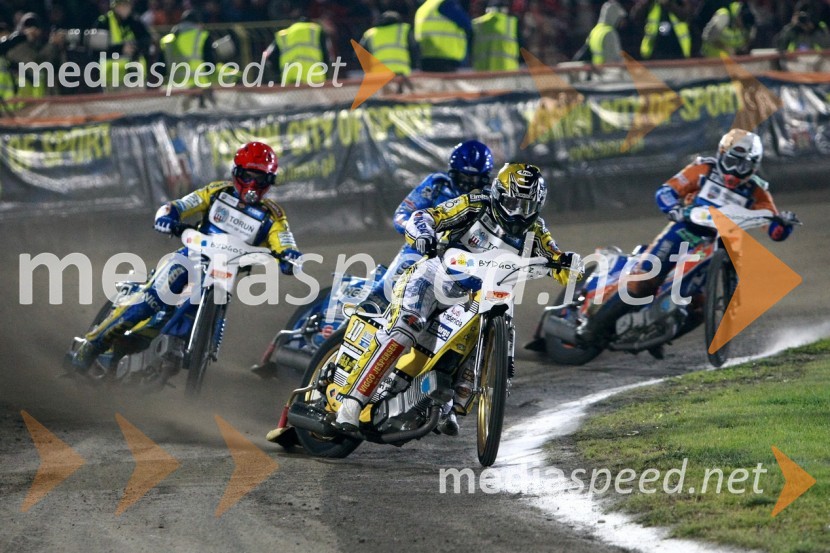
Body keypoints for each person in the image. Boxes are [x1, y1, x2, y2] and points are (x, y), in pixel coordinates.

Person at [335, 163, 583, 434]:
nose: (517, 212)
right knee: (406, 327)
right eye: (512, 202)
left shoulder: (536, 231)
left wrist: (571, 265)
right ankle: (353, 401)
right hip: (432, 276)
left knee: (475, 333)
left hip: (469, 297)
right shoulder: (475, 203)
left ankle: (446, 403)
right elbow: (429, 216)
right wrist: (423, 233)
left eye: (526, 206)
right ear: (498, 193)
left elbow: (558, 259)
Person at [71, 142, 303, 371]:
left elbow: (284, 241)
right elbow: (179, 205)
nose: (252, 184)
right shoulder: (216, 192)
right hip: (190, 257)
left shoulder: (273, 216)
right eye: (249, 175)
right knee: (152, 300)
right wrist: (167, 217)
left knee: (178, 318)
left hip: (224, 274)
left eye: (260, 178)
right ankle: (93, 344)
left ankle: (171, 349)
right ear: (237, 173)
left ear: (269, 182)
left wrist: (290, 258)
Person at [576, 129, 798, 354]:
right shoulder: (703, 169)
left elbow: (774, 229)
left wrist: (784, 223)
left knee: (699, 308)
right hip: (684, 230)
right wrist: (673, 208)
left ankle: (655, 336)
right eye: (731, 161)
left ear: (754, 166)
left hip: (719, 244)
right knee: (645, 280)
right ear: (722, 154)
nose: (734, 170)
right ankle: (592, 328)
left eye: (743, 165)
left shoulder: (757, 191)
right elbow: (666, 190)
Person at [369, 140, 495, 307]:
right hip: (422, 252)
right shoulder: (436, 184)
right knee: (384, 293)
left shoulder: (492, 197)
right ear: (453, 172)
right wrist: (421, 234)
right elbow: (402, 214)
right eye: (463, 176)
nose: (468, 183)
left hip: (464, 262)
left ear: (485, 177)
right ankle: (362, 315)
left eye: (475, 179)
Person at [2, 13, 65, 101]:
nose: (32, 30)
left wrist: (58, 46)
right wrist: (52, 45)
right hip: (23, 101)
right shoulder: (16, 46)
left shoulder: (40, 46)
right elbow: (36, 64)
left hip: (43, 98)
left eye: (35, 27)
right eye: (27, 27)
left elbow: (59, 69)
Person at [92, 0, 152, 90]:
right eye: (122, 4)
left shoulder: (135, 21)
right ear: (115, 6)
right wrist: (120, 49)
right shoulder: (104, 23)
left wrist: (136, 47)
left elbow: (147, 41)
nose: (126, 8)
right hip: (112, 79)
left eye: (128, 4)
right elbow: (96, 50)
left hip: (135, 77)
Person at [264, 17, 331, 86]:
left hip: (291, 81)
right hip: (314, 77)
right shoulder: (316, 30)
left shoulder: (283, 35)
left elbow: (268, 56)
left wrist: (280, 72)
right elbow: (326, 55)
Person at [159, 9, 216, 88]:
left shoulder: (167, 40)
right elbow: (210, 64)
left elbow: (160, 67)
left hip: (175, 86)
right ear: (198, 23)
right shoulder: (202, 36)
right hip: (199, 83)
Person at [414, 0, 472, 72]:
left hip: (426, 59)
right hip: (445, 59)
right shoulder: (446, 3)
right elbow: (467, 24)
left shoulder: (423, 8)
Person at [359, 10, 418, 76]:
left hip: (378, 75)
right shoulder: (404, 29)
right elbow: (415, 49)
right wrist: (415, 66)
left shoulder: (369, 34)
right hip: (401, 73)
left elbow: (359, 55)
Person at [471, 0, 521, 71]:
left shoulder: (476, 24)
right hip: (507, 70)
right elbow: (522, 46)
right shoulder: (512, 23)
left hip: (482, 73)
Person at [585, 0, 628, 65]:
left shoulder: (594, 31)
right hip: (608, 71)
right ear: (614, 16)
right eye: (619, 18)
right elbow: (615, 58)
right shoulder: (609, 33)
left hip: (597, 70)